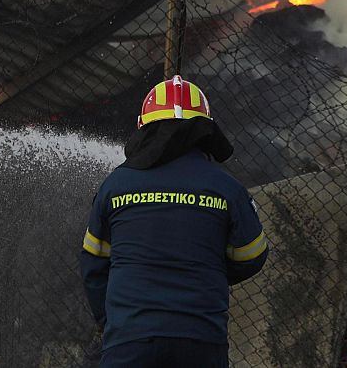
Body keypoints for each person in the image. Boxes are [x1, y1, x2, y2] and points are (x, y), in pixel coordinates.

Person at [79, 74, 268, 368]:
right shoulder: (226, 188)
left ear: (144, 129)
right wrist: (206, 268)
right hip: (201, 338)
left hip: (130, 338)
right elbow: (252, 255)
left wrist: (111, 321)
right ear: (206, 131)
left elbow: (93, 264)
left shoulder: (116, 185)